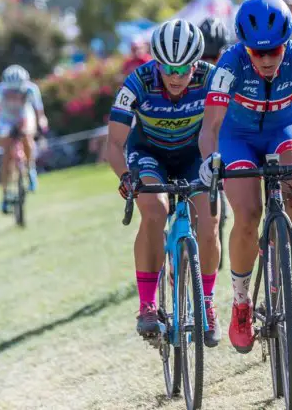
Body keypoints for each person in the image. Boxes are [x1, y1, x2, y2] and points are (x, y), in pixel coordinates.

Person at [198, 0, 292, 354]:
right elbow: (211, 125)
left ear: (286, 43)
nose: (266, 60)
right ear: (244, 48)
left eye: (273, 51)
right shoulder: (229, 64)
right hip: (238, 137)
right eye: (257, 53)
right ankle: (241, 304)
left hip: (286, 127)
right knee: (248, 215)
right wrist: (209, 159)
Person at [106, 19, 222, 346]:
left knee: (210, 220)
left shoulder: (212, 79)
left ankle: (207, 302)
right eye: (168, 68)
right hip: (148, 155)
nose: (175, 76)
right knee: (154, 212)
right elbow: (114, 145)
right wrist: (126, 178)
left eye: (183, 69)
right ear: (156, 62)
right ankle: (146, 304)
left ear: (196, 62)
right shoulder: (137, 82)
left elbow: (230, 127)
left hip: (193, 155)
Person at [0, 64, 49, 214]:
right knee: (6, 158)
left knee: (27, 136)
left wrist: (42, 123)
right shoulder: (0, 90)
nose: (15, 94)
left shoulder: (31, 89)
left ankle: (30, 169)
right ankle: (4, 195)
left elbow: (39, 113)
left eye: (18, 91)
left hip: (23, 115)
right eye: (11, 91)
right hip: (5, 118)